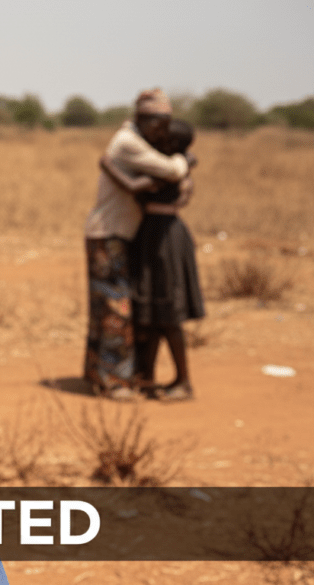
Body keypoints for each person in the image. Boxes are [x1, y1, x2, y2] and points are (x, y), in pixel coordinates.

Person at [82, 88, 193, 401]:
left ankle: (101, 374)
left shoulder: (132, 139)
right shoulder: (128, 142)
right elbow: (172, 170)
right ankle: (114, 382)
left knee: (107, 306)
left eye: (167, 124)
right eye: (159, 123)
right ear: (143, 119)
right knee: (115, 307)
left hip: (115, 232)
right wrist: (185, 159)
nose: (162, 130)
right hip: (110, 232)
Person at [100, 119, 203, 401]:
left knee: (168, 314)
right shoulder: (172, 166)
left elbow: (132, 187)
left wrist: (107, 165)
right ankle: (146, 376)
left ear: (170, 143)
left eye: (159, 136)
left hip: (165, 240)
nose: (151, 139)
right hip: (151, 236)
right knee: (150, 313)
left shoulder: (168, 172)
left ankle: (183, 381)